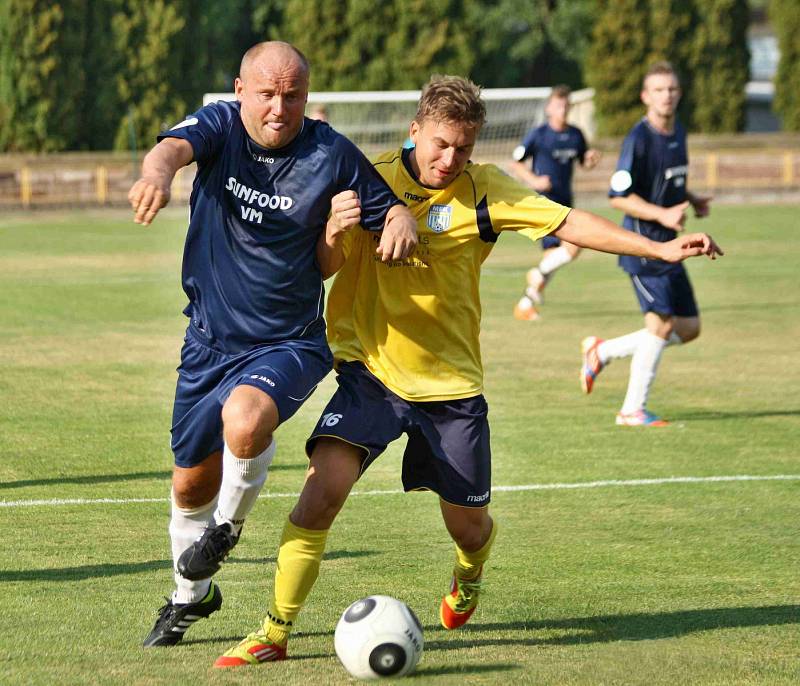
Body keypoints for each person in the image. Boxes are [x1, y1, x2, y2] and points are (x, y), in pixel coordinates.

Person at [213, 75, 721, 667]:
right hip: (370, 373)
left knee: (469, 527)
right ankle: (274, 633)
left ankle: (469, 572)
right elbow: (323, 267)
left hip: (452, 387)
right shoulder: (366, 176)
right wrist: (333, 229)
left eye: (463, 148)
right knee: (320, 494)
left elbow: (567, 223)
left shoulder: (485, 190)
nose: (449, 159)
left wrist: (659, 249)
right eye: (439, 145)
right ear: (414, 131)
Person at [128, 41, 417, 648]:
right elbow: (172, 148)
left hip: (289, 341)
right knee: (189, 486)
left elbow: (388, 209)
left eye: (292, 95)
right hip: (207, 340)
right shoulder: (219, 127)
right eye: (266, 93)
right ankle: (191, 596)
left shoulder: (331, 153)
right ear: (240, 91)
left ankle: (227, 532)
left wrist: (398, 221)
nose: (279, 107)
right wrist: (157, 171)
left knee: (247, 418)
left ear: (306, 97)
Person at [580, 61, 713, 427]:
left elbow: (667, 182)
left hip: (672, 246)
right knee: (661, 326)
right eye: (658, 90)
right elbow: (618, 196)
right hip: (642, 247)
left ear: (678, 93)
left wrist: (692, 198)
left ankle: (602, 351)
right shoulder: (638, 139)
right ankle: (631, 410)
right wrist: (663, 215)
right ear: (645, 96)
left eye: (671, 89)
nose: (666, 96)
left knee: (688, 328)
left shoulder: (678, 133)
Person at [509, 85, 601, 320]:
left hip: (565, 202)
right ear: (549, 108)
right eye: (559, 105)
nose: (563, 109)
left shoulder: (576, 135)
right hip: (544, 203)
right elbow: (515, 163)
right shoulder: (539, 134)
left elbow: (584, 162)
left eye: (566, 105)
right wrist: (535, 181)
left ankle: (525, 304)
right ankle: (536, 276)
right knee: (574, 246)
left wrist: (591, 160)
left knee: (553, 257)